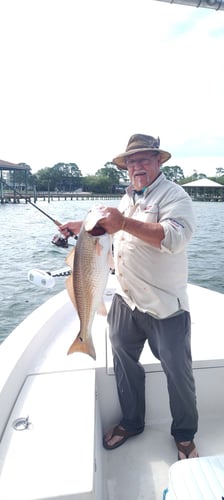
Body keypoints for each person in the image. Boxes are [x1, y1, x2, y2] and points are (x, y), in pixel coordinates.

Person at [60, 133, 199, 460]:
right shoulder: (127, 198)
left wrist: (122, 221)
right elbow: (112, 227)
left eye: (144, 159)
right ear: (126, 168)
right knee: (124, 365)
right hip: (125, 301)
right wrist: (82, 225)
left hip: (166, 305)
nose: (137, 166)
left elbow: (174, 238)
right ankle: (132, 423)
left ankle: (184, 435)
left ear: (158, 161)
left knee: (178, 374)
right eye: (131, 161)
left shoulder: (175, 196)